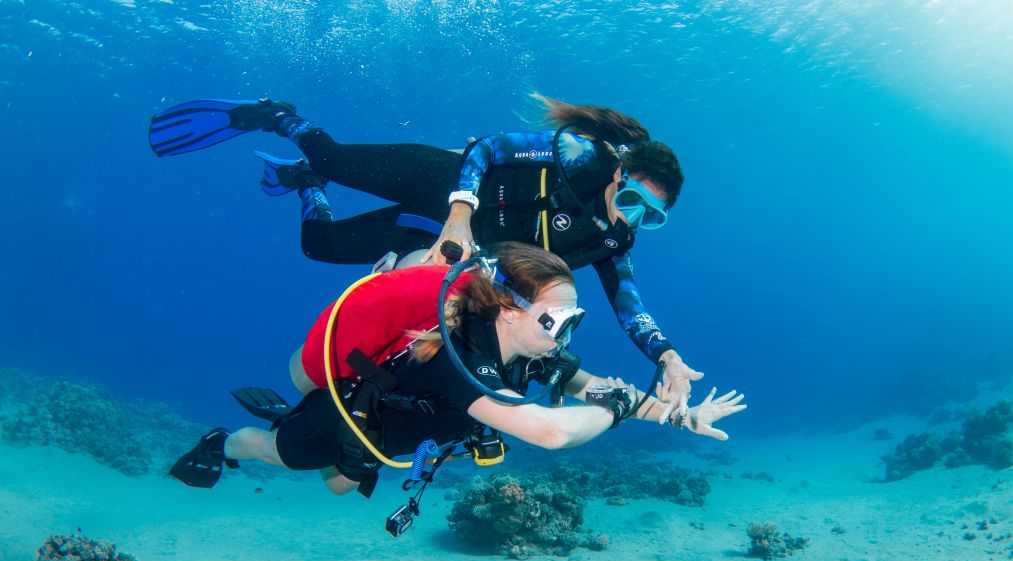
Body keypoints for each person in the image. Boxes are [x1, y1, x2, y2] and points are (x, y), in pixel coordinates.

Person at [149, 95, 703, 422]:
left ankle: (306, 187)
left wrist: (668, 356)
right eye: (631, 200)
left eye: (651, 217)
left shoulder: (613, 239)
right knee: (334, 155)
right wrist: (460, 213)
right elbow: (488, 148)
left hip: (448, 239)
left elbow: (628, 303)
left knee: (317, 246)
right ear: (618, 174)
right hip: (446, 182)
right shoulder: (581, 157)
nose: (631, 219)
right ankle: (279, 115)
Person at [168, 243, 745, 498]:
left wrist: (680, 418)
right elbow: (550, 432)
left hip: (390, 438)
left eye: (574, 320)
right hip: (348, 421)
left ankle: (325, 451)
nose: (565, 335)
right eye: (555, 319)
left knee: (342, 486)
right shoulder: (456, 359)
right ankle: (224, 441)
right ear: (508, 307)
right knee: (275, 452)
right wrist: (619, 406)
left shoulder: (534, 352)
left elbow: (593, 386)